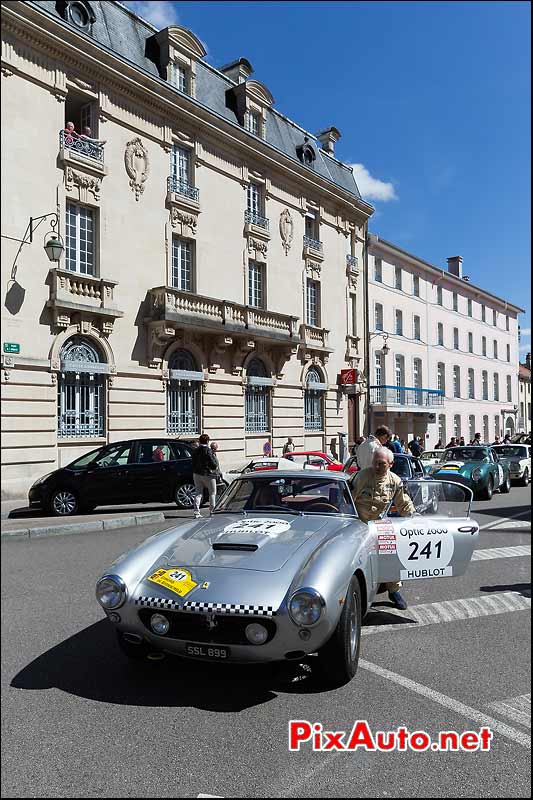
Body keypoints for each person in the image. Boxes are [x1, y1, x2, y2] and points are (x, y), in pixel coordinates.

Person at [350, 447, 415, 610]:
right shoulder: (362, 476)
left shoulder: (395, 481)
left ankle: (394, 591)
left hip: (379, 526)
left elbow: (403, 503)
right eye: (375, 463)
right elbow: (348, 499)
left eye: (381, 464)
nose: (377, 467)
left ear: (391, 464)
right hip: (358, 524)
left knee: (390, 554)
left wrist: (414, 517)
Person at [191, 433, 219, 518]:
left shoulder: (195, 450)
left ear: (199, 441)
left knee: (198, 493)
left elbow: (193, 462)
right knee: (212, 493)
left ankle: (196, 512)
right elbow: (213, 464)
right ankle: (212, 511)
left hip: (196, 473)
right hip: (208, 474)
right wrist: (214, 466)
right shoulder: (208, 450)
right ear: (207, 441)